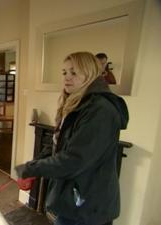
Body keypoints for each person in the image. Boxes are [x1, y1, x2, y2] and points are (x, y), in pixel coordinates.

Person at [15, 52, 129, 225]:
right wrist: (36, 164)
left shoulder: (100, 110)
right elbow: (59, 146)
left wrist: (31, 168)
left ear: (90, 74)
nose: (67, 78)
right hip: (75, 202)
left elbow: (75, 159)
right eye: (64, 72)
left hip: (89, 207)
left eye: (74, 73)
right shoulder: (79, 104)